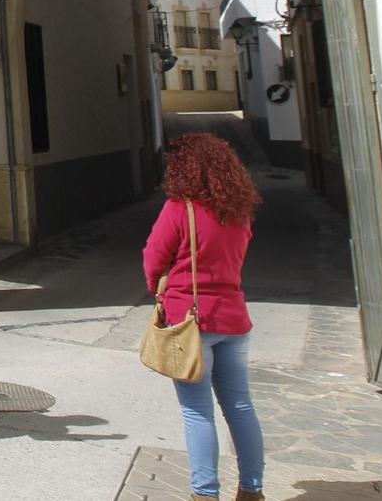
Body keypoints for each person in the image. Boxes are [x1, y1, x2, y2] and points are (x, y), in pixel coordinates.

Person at [143, 132, 264, 501]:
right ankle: (252, 491)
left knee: (198, 413)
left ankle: (205, 493)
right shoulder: (239, 212)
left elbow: (154, 256)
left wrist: (157, 288)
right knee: (240, 407)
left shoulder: (181, 208)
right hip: (234, 319)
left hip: (190, 322)